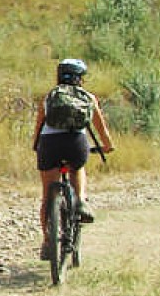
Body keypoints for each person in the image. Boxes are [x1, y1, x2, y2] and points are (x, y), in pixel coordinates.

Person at [31, 58, 115, 262]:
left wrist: (37, 146)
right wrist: (107, 146)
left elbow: (39, 126)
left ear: (59, 76)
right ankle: (80, 200)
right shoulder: (88, 97)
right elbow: (100, 129)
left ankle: (48, 242)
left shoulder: (49, 97)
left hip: (49, 144)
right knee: (77, 168)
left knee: (46, 195)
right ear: (80, 79)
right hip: (75, 142)